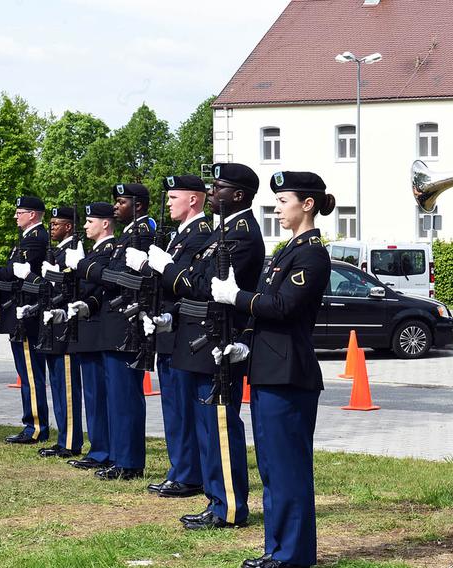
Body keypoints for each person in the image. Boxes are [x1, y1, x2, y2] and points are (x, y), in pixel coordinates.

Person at [211, 171, 333, 568]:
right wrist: (242, 343)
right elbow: (266, 309)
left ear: (307, 204)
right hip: (267, 370)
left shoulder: (312, 253)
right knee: (271, 468)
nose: (276, 207)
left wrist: (237, 296)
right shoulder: (287, 251)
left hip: (288, 374)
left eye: (284, 201)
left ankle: (292, 555)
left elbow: (283, 307)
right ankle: (277, 549)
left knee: (287, 468)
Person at [144, 163, 264, 528]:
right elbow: (198, 280)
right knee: (206, 428)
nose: (213, 194)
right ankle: (216, 500)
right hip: (199, 338)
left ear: (238, 196)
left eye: (220, 188)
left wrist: (168, 269)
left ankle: (228, 507)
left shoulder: (243, 235)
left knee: (219, 428)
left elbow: (205, 284)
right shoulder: (222, 232)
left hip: (219, 339)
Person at [124, 175, 213, 498]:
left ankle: (189, 473)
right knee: (173, 405)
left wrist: (150, 265)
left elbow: (183, 282)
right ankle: (180, 468)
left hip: (181, 328)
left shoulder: (200, 235)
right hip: (165, 327)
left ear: (193, 200)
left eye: (174, 197)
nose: (169, 203)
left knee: (183, 406)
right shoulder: (179, 235)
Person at [68, 184, 155, 480]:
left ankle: (129, 461)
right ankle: (119, 457)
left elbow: (126, 279)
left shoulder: (142, 233)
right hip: (113, 324)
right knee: (116, 399)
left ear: (139, 206)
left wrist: (86, 268)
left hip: (125, 327)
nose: (116, 207)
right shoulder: (129, 236)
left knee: (125, 398)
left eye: (121, 202)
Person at [0, 196, 50, 445]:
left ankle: (36, 427)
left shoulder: (36, 239)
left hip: (27, 315)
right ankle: (31, 423)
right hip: (17, 312)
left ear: (33, 215)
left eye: (20, 212)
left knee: (31, 374)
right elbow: (12, 277)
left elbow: (13, 272)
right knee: (25, 373)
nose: (16, 216)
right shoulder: (26, 239)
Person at [49, 202, 116, 470]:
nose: (86, 226)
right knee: (93, 394)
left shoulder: (110, 250)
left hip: (96, 327)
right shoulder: (92, 251)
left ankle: (103, 451)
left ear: (105, 224)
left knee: (98, 394)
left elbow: (97, 287)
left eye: (91, 221)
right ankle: (98, 448)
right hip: (86, 329)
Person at [32, 206, 83, 458]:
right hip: (51, 323)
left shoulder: (74, 251)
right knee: (57, 385)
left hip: (65, 325)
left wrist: (51, 274)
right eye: (50, 224)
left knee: (67, 387)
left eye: (56, 224)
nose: (52, 228)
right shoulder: (59, 250)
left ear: (69, 227)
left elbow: (73, 285)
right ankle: (64, 437)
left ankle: (71, 441)